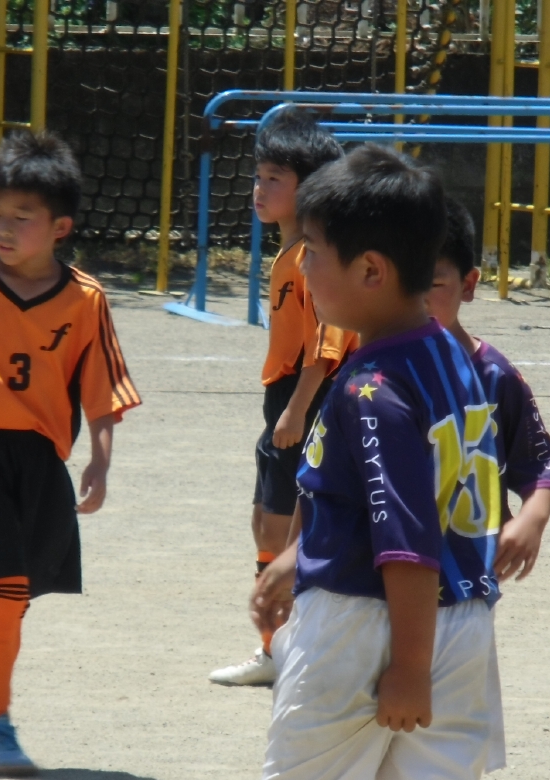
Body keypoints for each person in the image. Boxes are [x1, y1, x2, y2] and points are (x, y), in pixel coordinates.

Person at [229, 145, 504, 780]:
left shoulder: (369, 386)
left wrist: (407, 664)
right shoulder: (456, 360)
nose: (302, 265)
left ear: (372, 271)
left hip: (366, 625)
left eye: (314, 252)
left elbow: (406, 541)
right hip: (463, 626)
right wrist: (296, 557)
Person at [365, 198, 550, 780]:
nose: (421, 301)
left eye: (436, 285)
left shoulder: (492, 375)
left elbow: (541, 462)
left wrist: (532, 517)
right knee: (383, 767)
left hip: (457, 610)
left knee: (432, 775)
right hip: (372, 603)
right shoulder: (375, 370)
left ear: (470, 284)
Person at [0, 129, 141, 774]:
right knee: (7, 585)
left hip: (40, 458)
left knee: (16, 596)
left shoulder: (85, 299)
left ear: (60, 228)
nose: (4, 227)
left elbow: (102, 388)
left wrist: (99, 460)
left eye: (23, 217)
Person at [209, 105, 356, 688]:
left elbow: (328, 341)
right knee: (264, 524)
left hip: (305, 401)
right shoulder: (291, 252)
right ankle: (278, 647)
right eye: (259, 175)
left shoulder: (311, 259)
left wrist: (297, 409)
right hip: (285, 401)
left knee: (288, 530)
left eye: (275, 178)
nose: (260, 188)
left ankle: (287, 648)